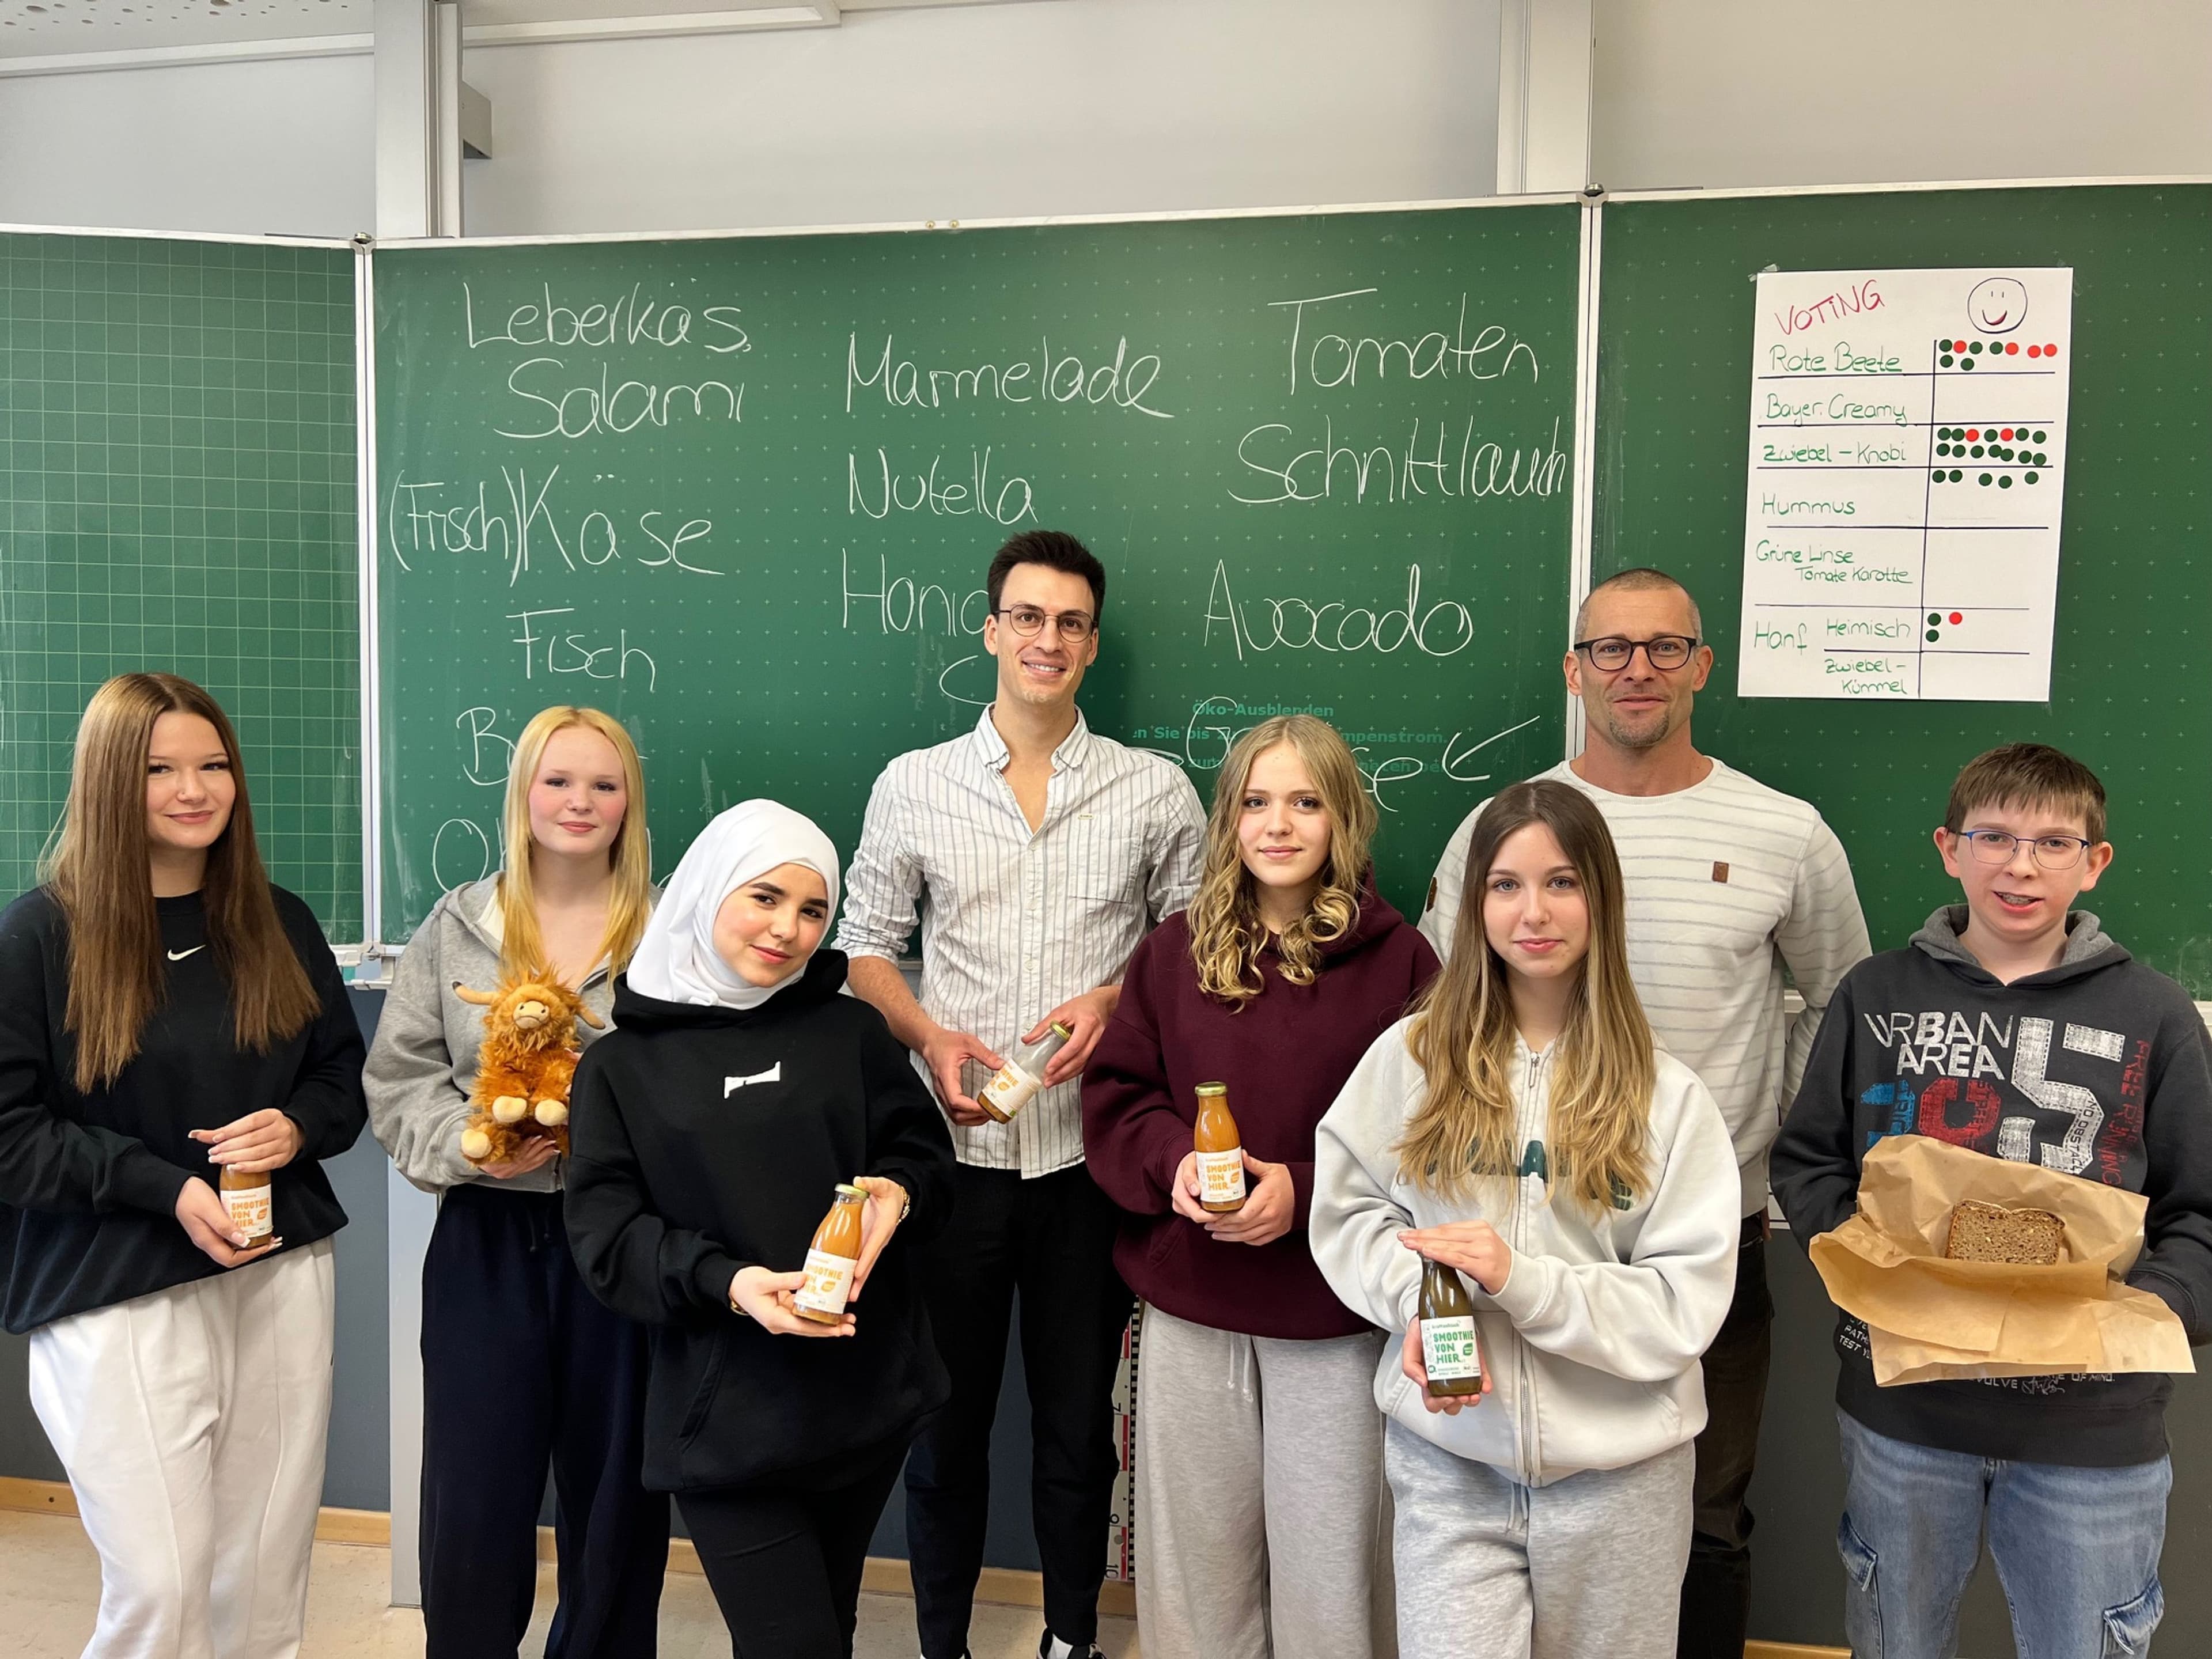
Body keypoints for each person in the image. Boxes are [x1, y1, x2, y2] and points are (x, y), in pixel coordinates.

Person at [1418, 566, 1870, 1657]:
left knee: (1704, 1521)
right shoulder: (1504, 825)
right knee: (1519, 1505)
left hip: (1702, 1247)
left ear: (1702, 666)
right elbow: (1443, 1010)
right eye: (1612, 649)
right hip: (1518, 1239)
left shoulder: (1784, 832)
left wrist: (1754, 1131)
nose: (1638, 670)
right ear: (1575, 671)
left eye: (1665, 647)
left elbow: (1839, 999)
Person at [837, 528, 1206, 1659]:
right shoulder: (915, 784)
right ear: (993, 630)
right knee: (941, 1430)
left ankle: (1067, 1640)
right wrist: (928, 1031)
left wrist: (1114, 999)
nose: (1049, 639)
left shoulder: (1155, 793)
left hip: (1085, 1164)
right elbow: (862, 951)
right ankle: (942, 1645)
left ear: (1093, 645)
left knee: (1074, 1434)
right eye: (1029, 617)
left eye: (1072, 623)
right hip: (946, 1172)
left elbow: (1193, 949)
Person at [1771, 744, 2212, 1659]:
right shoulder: (1876, 995)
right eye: (1995, 836)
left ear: (2096, 862)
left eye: (2055, 843)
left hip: (2093, 1427)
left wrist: (2157, 1305)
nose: (2021, 864)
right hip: (1903, 1419)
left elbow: (2199, 1209)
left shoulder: (2155, 1013)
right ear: (1948, 848)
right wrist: (1864, 1263)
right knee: (1896, 1640)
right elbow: (1809, 1160)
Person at [1313, 779, 1738, 1659]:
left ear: (1601, 899)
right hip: (1449, 1464)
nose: (1534, 911)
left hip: (1621, 1480)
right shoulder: (1412, 1058)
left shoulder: (1670, 1096)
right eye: (1506, 884)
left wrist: (1523, 1280)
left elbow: (1680, 1309)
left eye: (1563, 882)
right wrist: (1413, 1301)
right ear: (1475, 905)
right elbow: (1351, 1208)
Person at [0, 672, 366, 1658]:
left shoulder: (278, 921)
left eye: (213, 766)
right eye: (161, 769)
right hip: (116, 1288)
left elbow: (342, 1080)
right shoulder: (38, 935)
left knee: (260, 1580)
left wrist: (295, 1130)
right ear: (111, 780)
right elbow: (8, 1135)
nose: (194, 789)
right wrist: (161, 1186)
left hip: (280, 1271)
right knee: (161, 1587)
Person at [563, 800, 956, 1659]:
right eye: (766, 898)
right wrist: (730, 1283)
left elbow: (926, 1162)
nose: (789, 929)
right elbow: (606, 1238)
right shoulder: (621, 1067)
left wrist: (898, 1192)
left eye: (814, 910)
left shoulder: (851, 1032)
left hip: (863, 1399)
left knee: (828, 1627)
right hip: (724, 1418)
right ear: (707, 895)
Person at [1084, 715, 1438, 1659]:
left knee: (1330, 1571)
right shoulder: (1171, 953)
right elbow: (1120, 1098)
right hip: (1194, 1311)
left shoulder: (1405, 964)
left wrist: (1308, 1190)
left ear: (1343, 820)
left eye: (1306, 802)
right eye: (1257, 802)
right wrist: (1178, 1170)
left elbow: (1435, 1141)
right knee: (1196, 1569)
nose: (1279, 825)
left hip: (1336, 1312)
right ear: (1229, 820)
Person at [365, 705, 668, 1659]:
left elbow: (700, 1083)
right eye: (559, 781)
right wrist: (470, 1145)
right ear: (523, 793)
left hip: (620, 1244)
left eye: (604, 785)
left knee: (617, 1493)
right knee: (474, 1491)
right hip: (487, 1247)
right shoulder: (457, 925)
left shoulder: (669, 932)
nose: (580, 803)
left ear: (630, 804)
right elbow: (399, 1077)